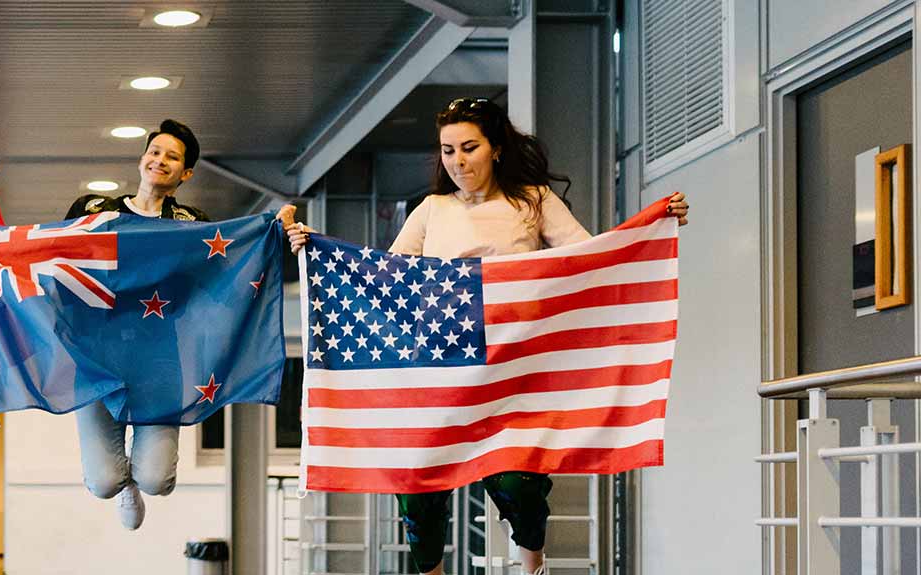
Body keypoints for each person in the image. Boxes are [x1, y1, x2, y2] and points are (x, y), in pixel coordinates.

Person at [280, 98, 690, 575]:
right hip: (439, 372)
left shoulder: (532, 201)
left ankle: (531, 564)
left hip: (513, 373)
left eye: (469, 148)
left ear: (495, 148)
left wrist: (652, 227)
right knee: (418, 488)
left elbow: (590, 259)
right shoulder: (431, 209)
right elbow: (384, 278)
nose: (457, 161)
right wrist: (317, 248)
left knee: (519, 483)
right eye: (448, 151)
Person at [0, 118, 206, 531]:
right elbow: (39, 250)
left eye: (172, 157)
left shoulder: (193, 223)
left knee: (156, 478)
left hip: (157, 360)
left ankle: (143, 478)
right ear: (141, 159)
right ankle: (124, 487)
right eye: (155, 152)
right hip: (96, 356)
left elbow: (229, 263)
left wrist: (282, 235)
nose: (160, 161)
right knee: (103, 482)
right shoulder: (94, 211)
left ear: (185, 173)